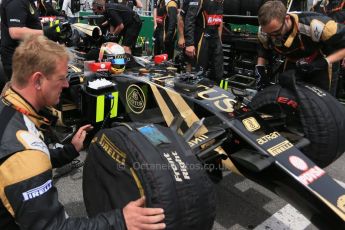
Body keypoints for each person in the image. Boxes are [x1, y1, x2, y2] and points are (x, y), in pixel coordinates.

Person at [0, 34, 166, 230]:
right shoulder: (25, 159)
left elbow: (30, 151)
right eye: (61, 78)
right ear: (37, 80)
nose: (66, 85)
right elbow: (56, 227)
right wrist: (121, 220)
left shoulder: (9, 104)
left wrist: (70, 150)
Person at [256, 0, 345, 95]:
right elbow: (264, 49)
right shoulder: (266, 31)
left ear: (286, 19)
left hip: (322, 62)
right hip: (294, 62)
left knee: (322, 103)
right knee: (286, 97)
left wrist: (323, 62)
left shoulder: (317, 25)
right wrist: (260, 70)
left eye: (276, 32)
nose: (272, 37)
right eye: (269, 34)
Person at [0, 0, 64, 91]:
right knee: (24, 96)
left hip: (29, 57)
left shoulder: (28, 2)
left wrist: (48, 28)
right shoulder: (16, 2)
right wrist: (44, 33)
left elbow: (31, 23)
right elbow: (15, 32)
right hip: (18, 61)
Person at [184, 0, 224, 83]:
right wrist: (189, 43)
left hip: (215, 39)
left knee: (218, 73)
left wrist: (219, 40)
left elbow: (219, 21)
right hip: (202, 39)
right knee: (199, 73)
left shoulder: (220, 2)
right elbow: (189, 20)